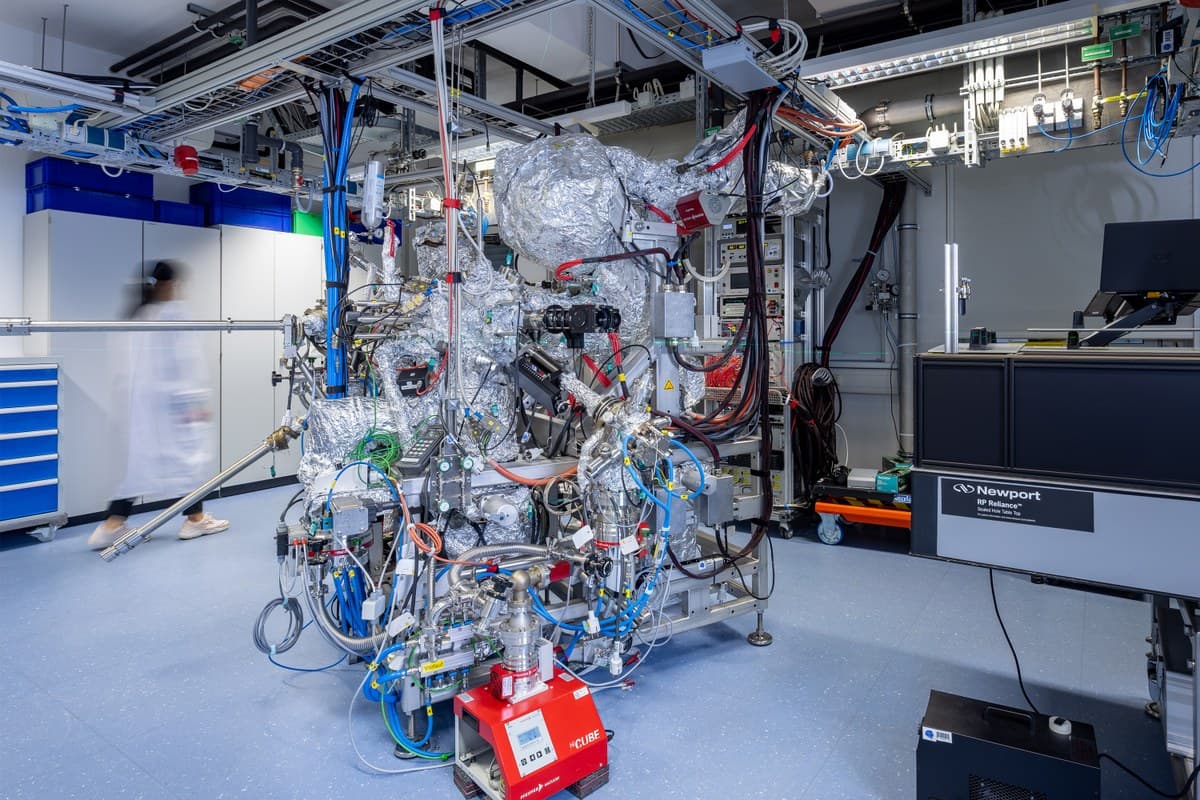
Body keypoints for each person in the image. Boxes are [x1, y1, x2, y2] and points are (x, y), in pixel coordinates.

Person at [88, 261, 229, 550]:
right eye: (176, 285)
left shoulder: (138, 314)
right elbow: (186, 362)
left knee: (139, 469)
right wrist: (195, 400)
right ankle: (195, 521)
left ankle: (112, 525)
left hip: (140, 410)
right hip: (174, 406)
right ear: (167, 285)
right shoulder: (173, 314)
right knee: (189, 463)